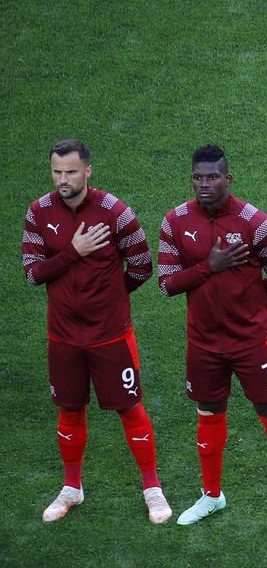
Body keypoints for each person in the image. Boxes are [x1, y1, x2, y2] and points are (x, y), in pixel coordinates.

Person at [158, 144, 267, 529]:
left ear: (229, 179)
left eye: (212, 177)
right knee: (208, 413)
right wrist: (209, 268)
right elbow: (167, 284)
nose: (204, 185)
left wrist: (245, 293)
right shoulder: (174, 221)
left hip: (252, 340)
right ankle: (211, 496)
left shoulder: (257, 223)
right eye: (198, 177)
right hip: (203, 342)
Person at [23, 139, 170, 524]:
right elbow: (33, 273)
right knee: (69, 410)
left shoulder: (115, 212)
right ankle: (72, 488)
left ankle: (152, 489)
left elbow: (141, 266)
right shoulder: (38, 212)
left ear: (88, 170)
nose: (63, 179)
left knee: (129, 408)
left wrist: (109, 299)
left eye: (71, 171)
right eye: (57, 171)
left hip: (110, 335)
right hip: (64, 337)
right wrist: (74, 251)